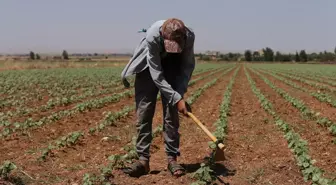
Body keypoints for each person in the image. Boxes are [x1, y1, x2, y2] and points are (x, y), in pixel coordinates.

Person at [120, 18, 195, 178]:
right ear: (162, 35)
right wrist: (177, 98)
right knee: (144, 111)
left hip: (173, 65)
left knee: (171, 115)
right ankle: (143, 161)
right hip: (149, 67)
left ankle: (172, 159)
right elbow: (157, 74)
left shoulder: (189, 37)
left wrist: (179, 94)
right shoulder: (153, 36)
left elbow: (187, 66)